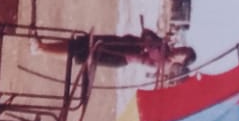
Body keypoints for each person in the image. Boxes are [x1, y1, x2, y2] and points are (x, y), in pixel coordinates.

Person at [33, 26, 196, 76]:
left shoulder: (165, 63)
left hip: (120, 57)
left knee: (81, 54)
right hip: (122, 42)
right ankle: (44, 45)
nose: (179, 50)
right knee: (82, 42)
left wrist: (152, 43)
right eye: (183, 48)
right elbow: (146, 32)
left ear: (181, 62)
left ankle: (41, 50)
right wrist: (150, 37)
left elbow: (150, 52)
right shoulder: (165, 46)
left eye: (183, 53)